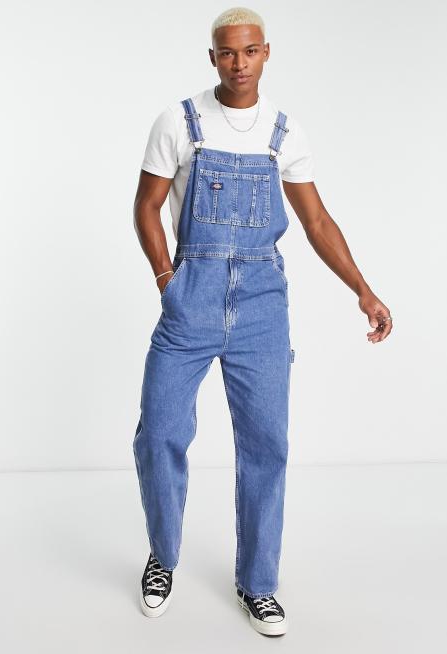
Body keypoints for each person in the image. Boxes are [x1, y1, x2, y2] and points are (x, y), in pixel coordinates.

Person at [131, 6, 393, 637]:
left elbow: (317, 222)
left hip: (261, 308)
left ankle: (258, 584)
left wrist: (364, 290)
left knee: (266, 447)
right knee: (158, 432)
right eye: (227, 52)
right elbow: (146, 205)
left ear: (266, 53)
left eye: (250, 51)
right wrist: (168, 281)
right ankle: (162, 556)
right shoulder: (179, 122)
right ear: (213, 57)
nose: (238, 63)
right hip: (190, 298)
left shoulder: (284, 132)